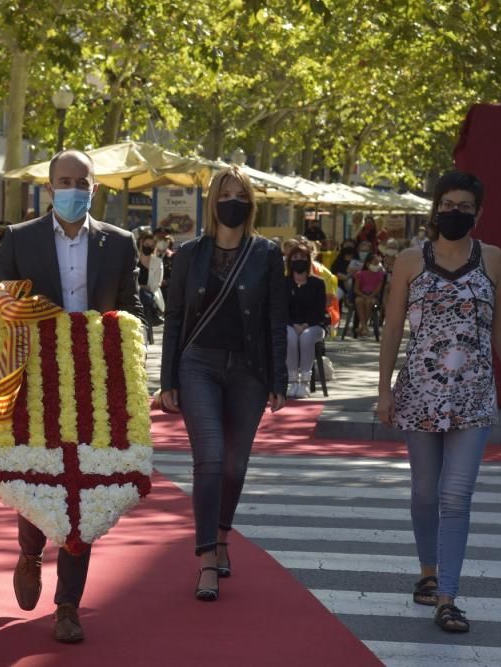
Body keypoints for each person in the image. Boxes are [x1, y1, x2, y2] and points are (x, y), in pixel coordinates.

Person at [0, 148, 143, 644]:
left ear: (94, 188)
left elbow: (132, 308)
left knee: (86, 484)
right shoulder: (20, 239)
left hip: (96, 382)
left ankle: (67, 606)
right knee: (40, 470)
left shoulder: (119, 244)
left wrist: (120, 336)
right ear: (49, 186)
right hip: (34, 382)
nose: (73, 188)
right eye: (64, 180)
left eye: (83, 181)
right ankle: (31, 548)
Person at [377, 171, 501, 635]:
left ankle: (448, 597)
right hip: (420, 390)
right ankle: (428, 570)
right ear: (434, 209)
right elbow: (392, 327)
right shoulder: (408, 261)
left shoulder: (494, 260)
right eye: (448, 204)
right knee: (425, 491)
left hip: (474, 394)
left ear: (478, 214)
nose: (455, 213)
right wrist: (383, 388)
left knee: (456, 495)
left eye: (465, 206)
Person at [158, 165, 287, 604]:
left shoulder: (267, 253)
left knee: (234, 464)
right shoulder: (189, 253)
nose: (234, 201)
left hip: (249, 370)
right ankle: (207, 558)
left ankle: (222, 533)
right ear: (212, 202)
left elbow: (274, 318)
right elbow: (174, 317)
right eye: (226, 193)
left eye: (242, 194)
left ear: (250, 203)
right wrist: (167, 378)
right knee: (210, 459)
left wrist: (279, 378)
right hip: (199, 366)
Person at [285, 242, 327, 398]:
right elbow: (280, 309)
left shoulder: (318, 283)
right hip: (289, 324)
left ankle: (304, 382)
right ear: (290, 261)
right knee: (289, 337)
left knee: (306, 337)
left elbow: (320, 310)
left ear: (308, 260)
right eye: (295, 257)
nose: (298, 260)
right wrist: (293, 324)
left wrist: (306, 324)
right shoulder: (284, 283)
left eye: (302, 257)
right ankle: (293, 381)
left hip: (313, 325)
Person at [353, 253, 385, 338]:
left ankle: (363, 326)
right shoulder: (360, 274)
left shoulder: (380, 275)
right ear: (368, 264)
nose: (377, 266)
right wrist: (364, 295)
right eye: (375, 263)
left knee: (369, 302)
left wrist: (371, 295)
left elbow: (378, 289)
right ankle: (364, 326)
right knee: (358, 300)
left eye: (378, 264)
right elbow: (356, 289)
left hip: (374, 296)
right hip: (362, 295)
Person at [137, 230, 164, 328]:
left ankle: (153, 313)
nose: (148, 247)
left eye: (151, 245)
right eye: (146, 244)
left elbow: (157, 284)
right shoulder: (133, 259)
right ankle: (154, 314)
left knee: (143, 292)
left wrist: (143, 287)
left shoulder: (158, 262)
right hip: (133, 292)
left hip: (150, 293)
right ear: (141, 243)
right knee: (141, 291)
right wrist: (139, 287)